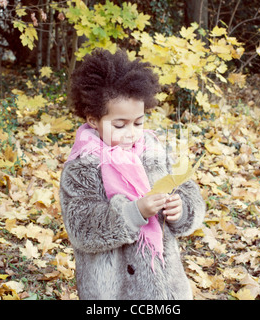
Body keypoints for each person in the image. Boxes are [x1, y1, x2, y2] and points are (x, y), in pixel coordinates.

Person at [59, 49, 206, 299]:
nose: (131, 133)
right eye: (120, 125)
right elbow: (81, 227)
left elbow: (187, 190)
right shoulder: (82, 166)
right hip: (114, 291)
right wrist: (133, 213)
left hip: (166, 284)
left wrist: (181, 210)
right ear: (93, 120)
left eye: (138, 122)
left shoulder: (153, 151)